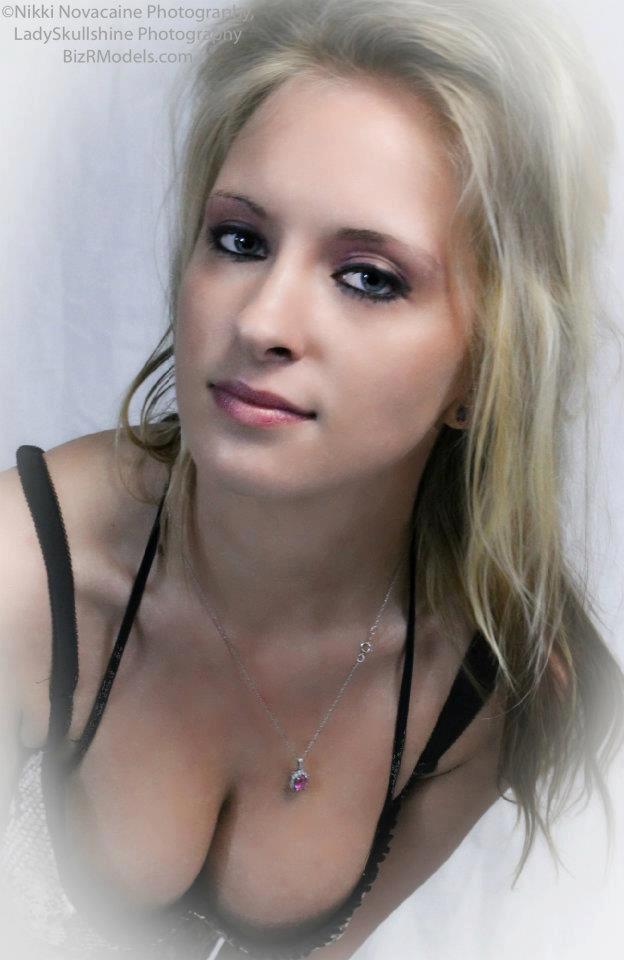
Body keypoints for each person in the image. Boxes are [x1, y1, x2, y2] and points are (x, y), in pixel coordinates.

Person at [1, 0, 623, 957]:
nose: (261, 320)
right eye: (240, 240)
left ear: (484, 369)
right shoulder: (25, 576)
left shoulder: (492, 687)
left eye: (369, 277)